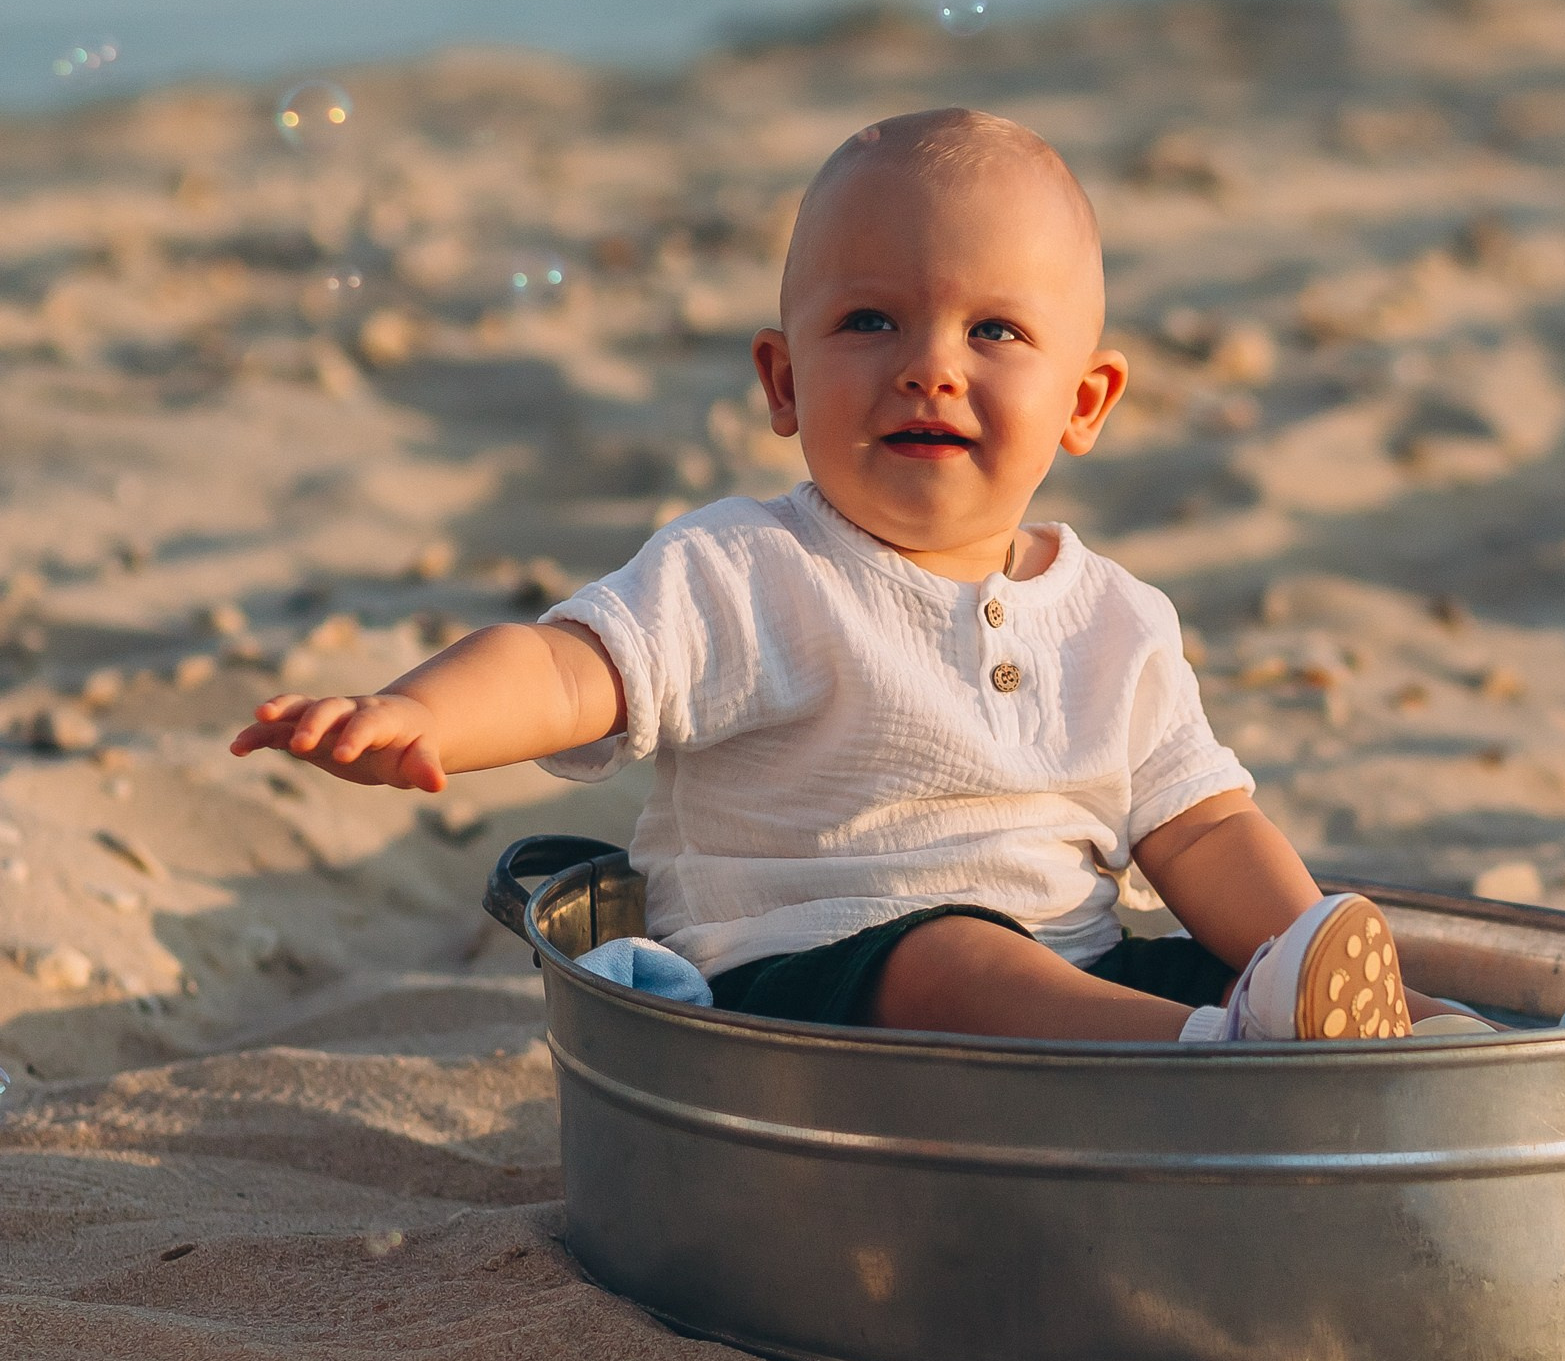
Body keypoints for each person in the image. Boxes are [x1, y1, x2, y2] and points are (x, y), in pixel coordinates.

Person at [231, 105, 1418, 1044]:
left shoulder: (1118, 622)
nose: (930, 370)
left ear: (1085, 402)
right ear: (784, 383)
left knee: (1253, 952)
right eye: (869, 323)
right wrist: (418, 710)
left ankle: (1448, 1048)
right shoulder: (750, 571)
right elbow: (567, 666)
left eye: (993, 333)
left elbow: (1205, 833)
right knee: (956, 958)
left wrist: (1292, 943)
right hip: (816, 999)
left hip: (1080, 979)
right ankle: (1211, 1068)